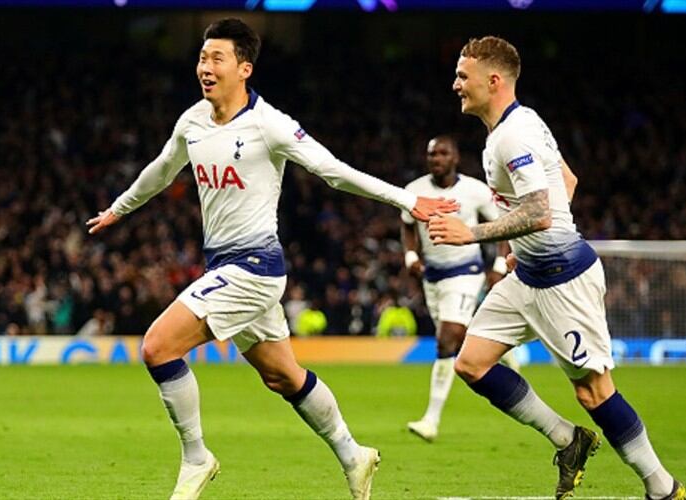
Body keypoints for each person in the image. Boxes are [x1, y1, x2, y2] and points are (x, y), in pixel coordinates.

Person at [86, 18, 457, 500]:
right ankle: (353, 454)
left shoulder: (270, 125)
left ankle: (197, 457)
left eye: (217, 58)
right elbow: (161, 170)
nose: (205, 67)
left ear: (244, 68)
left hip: (255, 267)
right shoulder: (192, 121)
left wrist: (409, 202)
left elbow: (336, 172)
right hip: (222, 266)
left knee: (158, 347)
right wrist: (119, 209)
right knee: (283, 375)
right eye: (202, 57)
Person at [428, 36, 686, 500]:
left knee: (594, 392)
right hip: (528, 273)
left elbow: (541, 212)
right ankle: (569, 441)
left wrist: (473, 234)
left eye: (462, 77)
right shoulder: (513, 126)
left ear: (494, 80)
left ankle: (663, 488)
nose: (455, 85)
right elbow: (566, 180)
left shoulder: (512, 135)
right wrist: (519, 245)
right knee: (471, 363)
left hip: (564, 280)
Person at [401, 135, 519, 442]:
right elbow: (407, 224)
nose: (436, 159)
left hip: (466, 273)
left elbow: (502, 225)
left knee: (446, 342)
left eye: (442, 153)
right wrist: (411, 256)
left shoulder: (475, 191)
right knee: (456, 335)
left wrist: (498, 266)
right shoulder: (414, 191)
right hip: (433, 276)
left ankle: (431, 420)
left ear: (455, 158)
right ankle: (503, 349)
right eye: (431, 154)